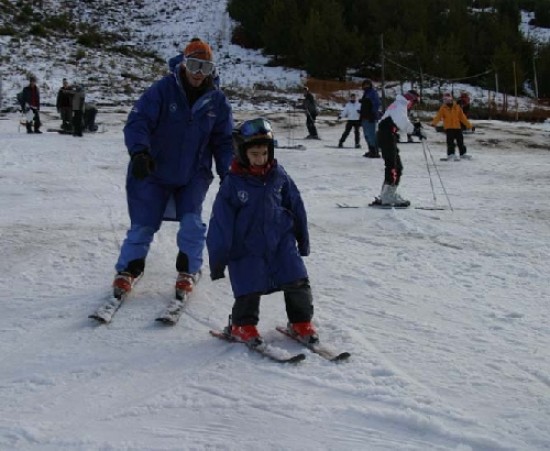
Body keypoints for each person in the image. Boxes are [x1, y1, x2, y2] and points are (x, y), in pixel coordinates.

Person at [111, 38, 233, 301]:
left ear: (212, 70)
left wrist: (228, 172)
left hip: (193, 173)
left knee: (192, 222)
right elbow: (138, 120)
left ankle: (188, 271)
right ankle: (128, 269)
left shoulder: (217, 102)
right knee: (143, 225)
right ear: (183, 63)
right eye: (193, 64)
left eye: (205, 67)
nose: (198, 73)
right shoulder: (163, 90)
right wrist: (140, 152)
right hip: (154, 170)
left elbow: (223, 141)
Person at [206, 118, 318, 346]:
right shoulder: (233, 184)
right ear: (242, 153)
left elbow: (296, 206)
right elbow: (221, 223)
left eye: (264, 153)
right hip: (246, 246)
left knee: (297, 280)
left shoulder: (279, 176)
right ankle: (242, 325)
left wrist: (302, 241)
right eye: (255, 154)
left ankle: (300, 322)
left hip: (281, 243)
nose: (261, 159)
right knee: (248, 286)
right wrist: (218, 259)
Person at [372, 90, 425, 207]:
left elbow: (398, 121)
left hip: (387, 135)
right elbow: (402, 122)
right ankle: (388, 196)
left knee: (394, 165)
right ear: (411, 99)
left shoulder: (398, 104)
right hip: (386, 135)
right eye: (414, 102)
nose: (413, 105)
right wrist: (414, 131)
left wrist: (414, 126)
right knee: (394, 166)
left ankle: (386, 194)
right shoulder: (401, 105)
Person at [431, 92, 473, 161]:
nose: (446, 101)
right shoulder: (443, 108)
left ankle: (462, 154)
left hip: (457, 127)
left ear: (451, 99)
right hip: (449, 128)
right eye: (444, 100)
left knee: (460, 141)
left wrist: (469, 125)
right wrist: (434, 123)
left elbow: (463, 118)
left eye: (447, 99)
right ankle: (451, 154)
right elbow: (438, 116)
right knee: (450, 142)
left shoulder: (457, 107)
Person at [360, 79, 381, 158]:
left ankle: (375, 151)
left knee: (371, 135)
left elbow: (377, 103)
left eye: (367, 85)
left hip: (370, 116)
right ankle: (371, 150)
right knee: (366, 135)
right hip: (364, 116)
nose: (366, 86)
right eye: (365, 85)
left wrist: (373, 113)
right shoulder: (365, 93)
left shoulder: (373, 93)